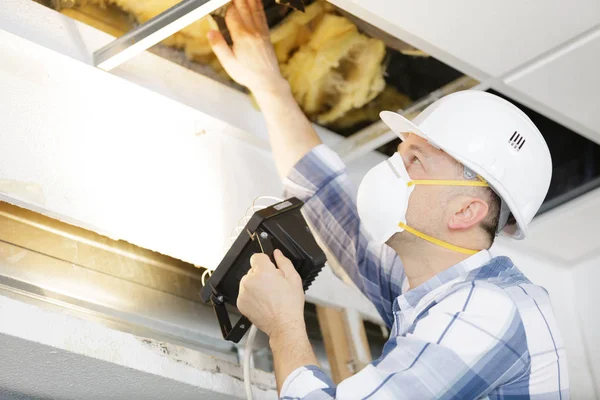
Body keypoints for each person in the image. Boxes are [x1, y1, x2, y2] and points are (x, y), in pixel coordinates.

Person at [207, 0, 569, 398]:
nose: (394, 165)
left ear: (466, 211)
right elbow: (329, 206)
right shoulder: (428, 290)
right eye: (401, 151)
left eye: (416, 160)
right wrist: (267, 82)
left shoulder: (488, 310)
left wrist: (284, 327)